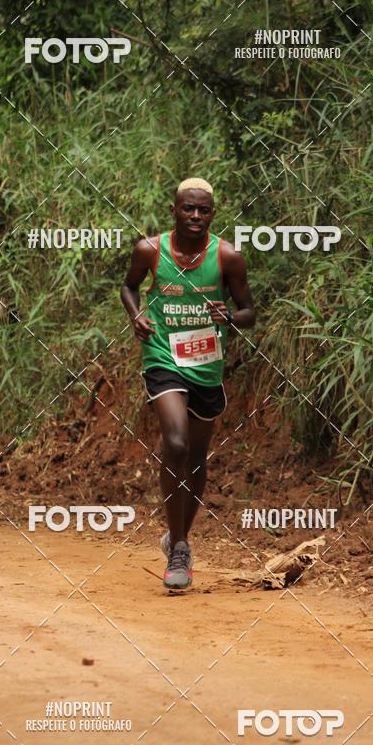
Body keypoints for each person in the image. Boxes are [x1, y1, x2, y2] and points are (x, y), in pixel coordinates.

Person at [121, 178, 255, 590]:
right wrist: (136, 315)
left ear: (212, 213)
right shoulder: (150, 251)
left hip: (206, 365)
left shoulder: (228, 257)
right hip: (163, 357)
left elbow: (249, 310)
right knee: (175, 442)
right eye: (188, 209)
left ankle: (178, 535)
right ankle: (179, 548)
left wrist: (229, 318)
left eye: (204, 210)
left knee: (196, 456)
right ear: (174, 210)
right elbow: (128, 287)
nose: (196, 216)